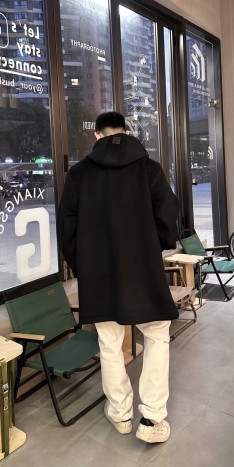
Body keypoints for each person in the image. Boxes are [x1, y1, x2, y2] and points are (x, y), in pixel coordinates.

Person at [57, 111, 180, 443]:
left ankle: (120, 413)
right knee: (157, 334)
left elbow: (67, 227)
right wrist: (155, 246)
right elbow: (168, 215)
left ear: (97, 135)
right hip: (143, 269)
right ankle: (152, 419)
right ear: (126, 132)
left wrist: (83, 267)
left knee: (109, 343)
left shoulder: (79, 174)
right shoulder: (149, 168)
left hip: (99, 274)